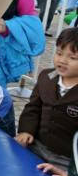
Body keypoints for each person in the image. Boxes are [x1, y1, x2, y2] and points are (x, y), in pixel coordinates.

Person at [15, 28, 78, 168]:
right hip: (37, 146)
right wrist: (26, 130)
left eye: (72, 58)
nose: (62, 60)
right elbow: (33, 107)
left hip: (67, 160)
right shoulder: (46, 77)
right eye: (59, 53)